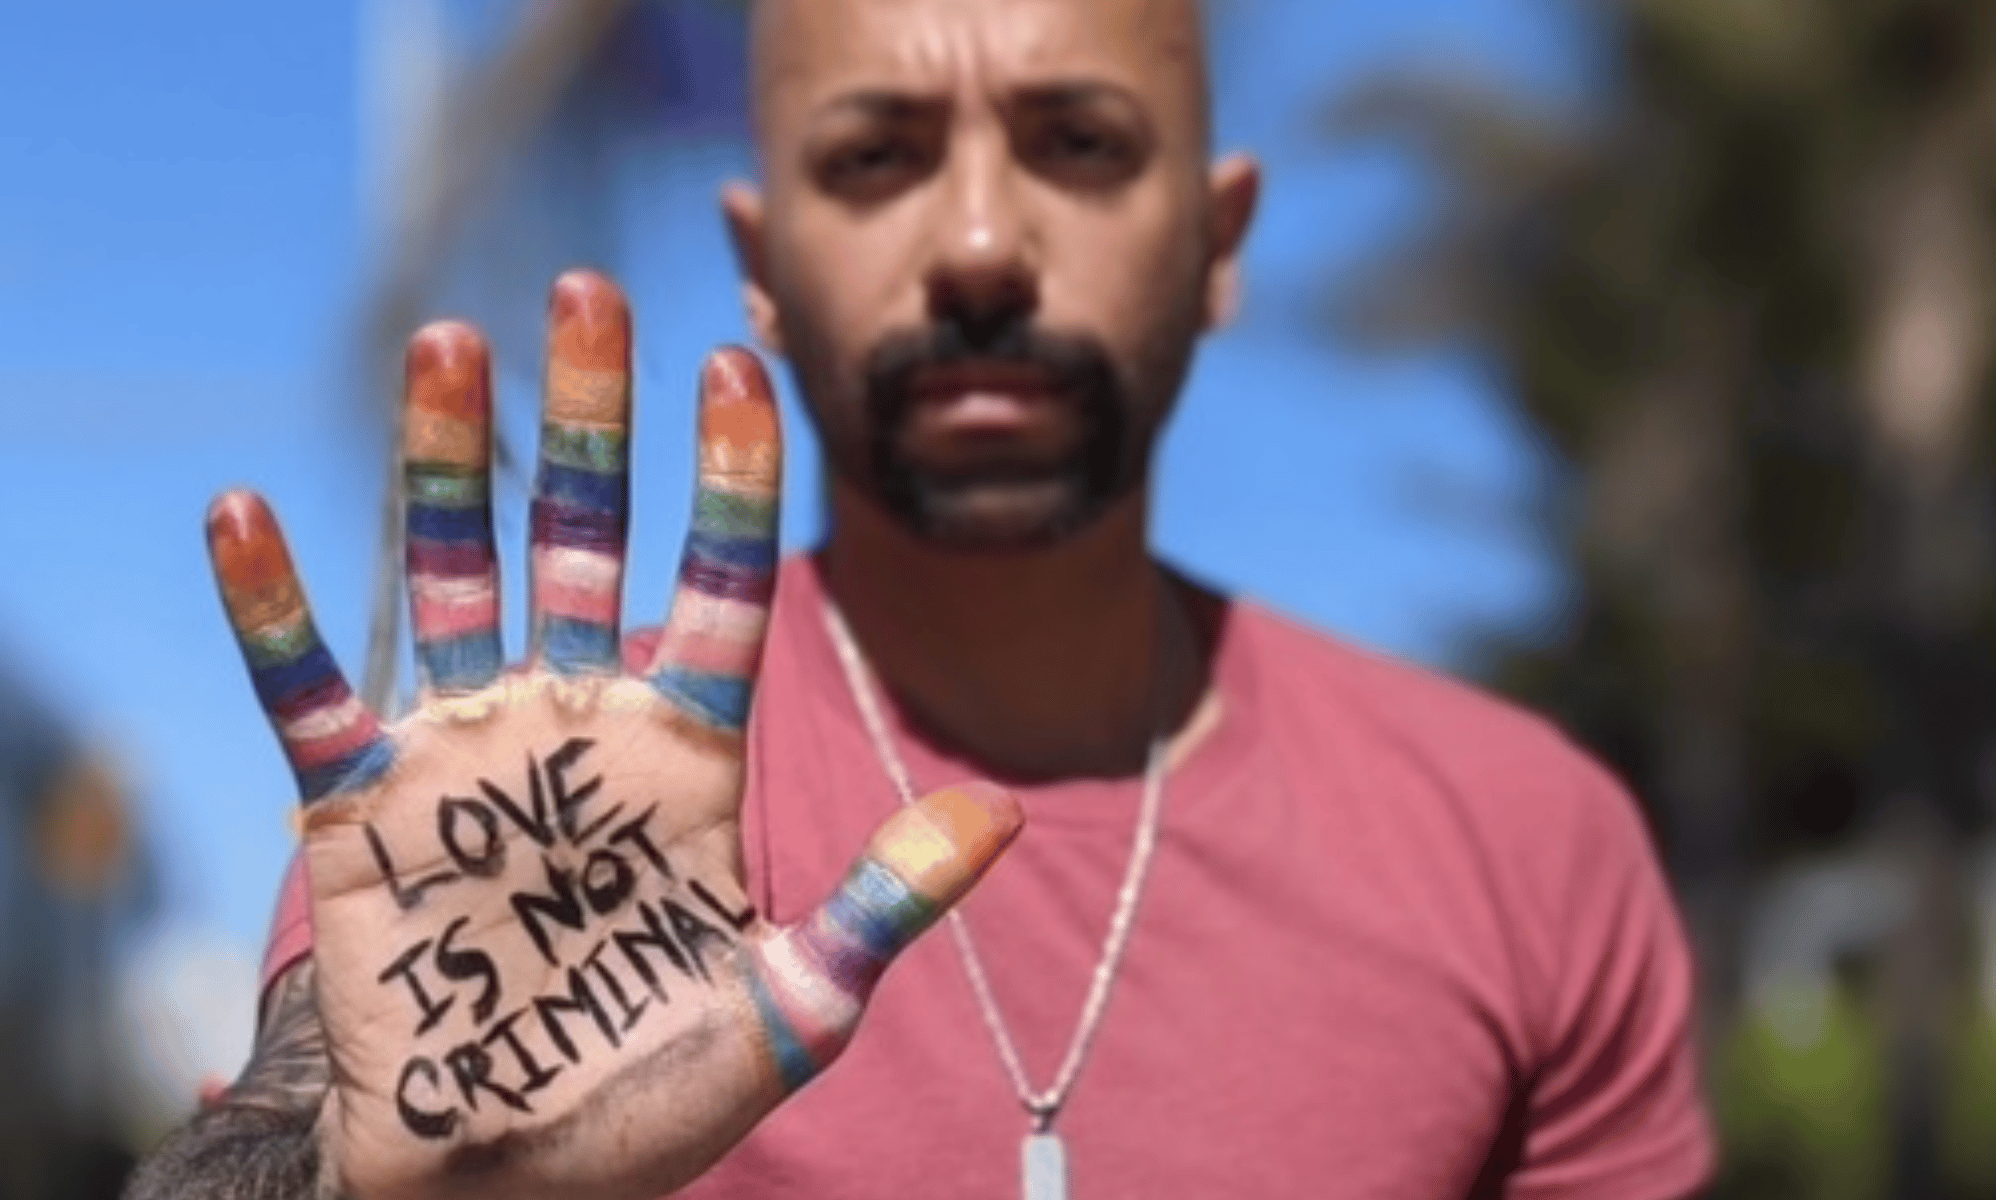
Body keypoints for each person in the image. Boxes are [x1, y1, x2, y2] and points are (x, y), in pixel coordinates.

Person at [125, 0, 1716, 1197]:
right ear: (763, 260)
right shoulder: (503, 817)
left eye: (1079, 142)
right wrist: (350, 1178)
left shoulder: (1523, 845)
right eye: (875, 155)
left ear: (1217, 240)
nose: (975, 243)